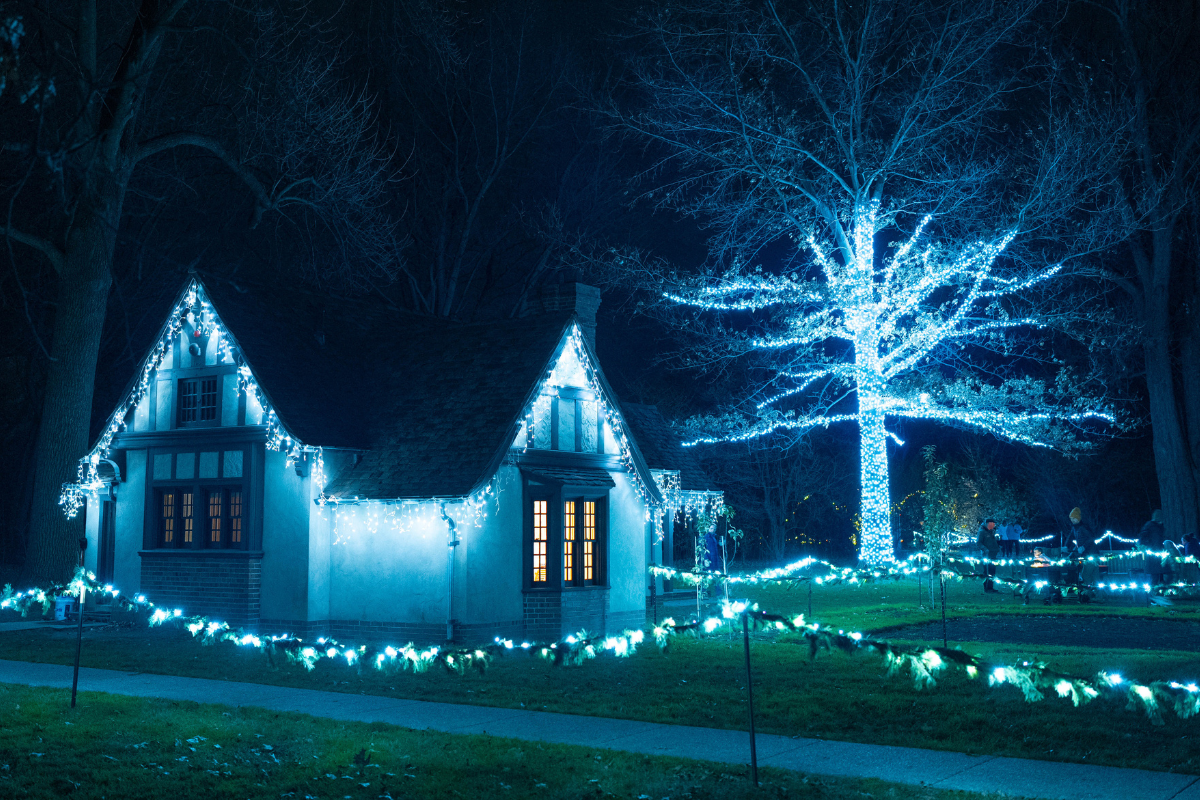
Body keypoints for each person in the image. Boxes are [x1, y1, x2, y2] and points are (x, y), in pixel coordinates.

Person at [1139, 510, 1166, 585]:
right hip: (1152, 551)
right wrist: (1146, 544)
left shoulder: (1160, 526)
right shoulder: (1150, 525)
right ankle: (1154, 589)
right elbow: (1143, 535)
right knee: (1155, 573)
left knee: (1161, 571)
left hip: (1160, 551)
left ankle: (1160, 587)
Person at [977, 518, 1000, 592]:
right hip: (986, 556)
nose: (994, 526)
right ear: (988, 524)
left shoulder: (991, 532)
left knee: (992, 571)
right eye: (992, 524)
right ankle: (987, 587)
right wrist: (985, 549)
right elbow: (979, 543)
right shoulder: (982, 532)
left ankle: (991, 587)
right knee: (987, 572)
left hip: (993, 554)